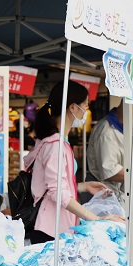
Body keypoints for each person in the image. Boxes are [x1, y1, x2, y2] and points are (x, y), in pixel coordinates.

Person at [23, 81, 124, 244]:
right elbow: (56, 191)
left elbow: (54, 185)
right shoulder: (55, 145)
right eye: (85, 105)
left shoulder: (58, 142)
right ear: (72, 107)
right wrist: (96, 219)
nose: (87, 109)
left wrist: (83, 186)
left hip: (59, 225)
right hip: (50, 228)